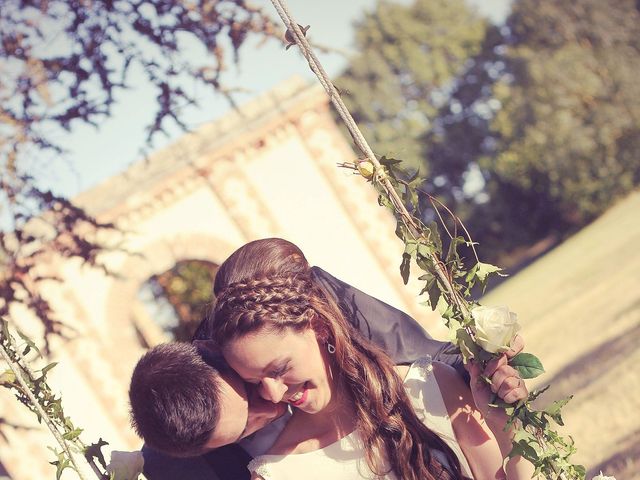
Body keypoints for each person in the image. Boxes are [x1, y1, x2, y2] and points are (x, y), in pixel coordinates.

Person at [131, 239, 528, 479]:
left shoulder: (427, 382)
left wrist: (491, 380)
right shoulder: (241, 466)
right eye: (243, 430)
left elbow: (435, 363)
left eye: (274, 372)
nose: (270, 398)